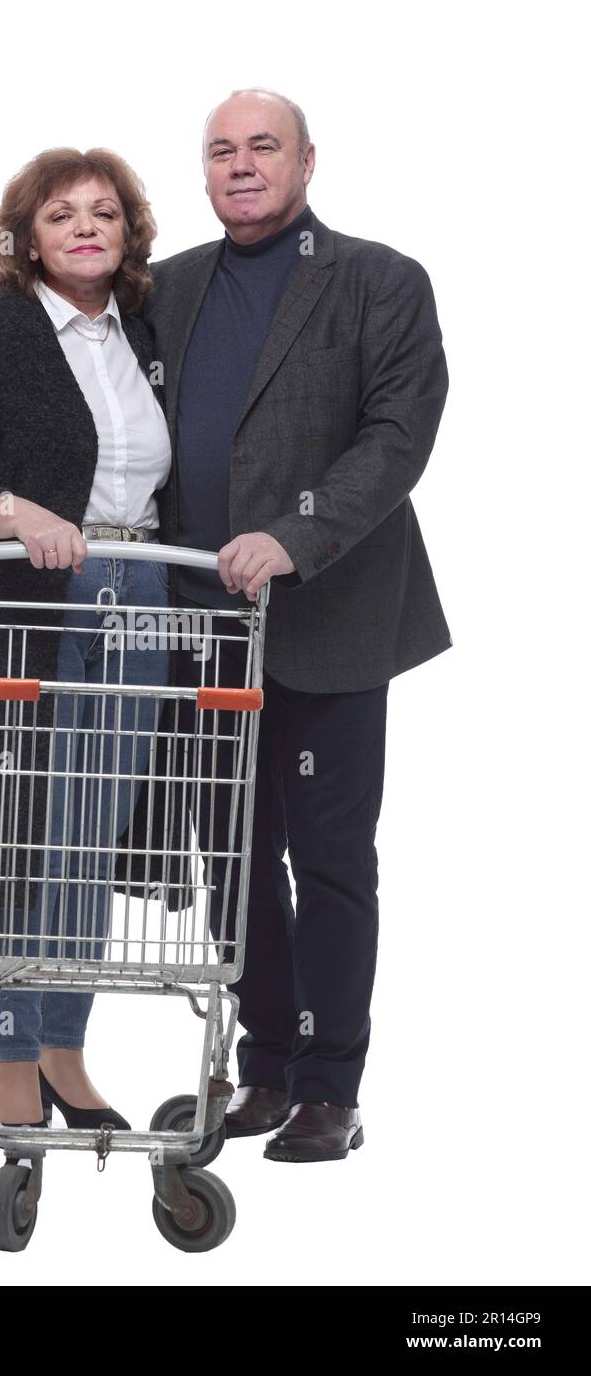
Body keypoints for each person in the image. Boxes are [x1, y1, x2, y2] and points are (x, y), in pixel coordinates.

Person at [142, 88, 451, 1162]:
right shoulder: (166, 288)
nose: (238, 165)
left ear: (306, 161)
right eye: (219, 150)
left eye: (259, 146)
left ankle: (328, 1083)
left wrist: (291, 533)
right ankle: (264, 1062)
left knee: (325, 860)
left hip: (327, 616)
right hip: (196, 628)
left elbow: (396, 434)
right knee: (229, 855)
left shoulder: (377, 280)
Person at [0, 148, 173, 1130]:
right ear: (27, 236)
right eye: (61, 215)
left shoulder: (144, 333)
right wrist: (11, 512)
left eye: (105, 213)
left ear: (129, 234)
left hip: (143, 597)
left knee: (88, 841)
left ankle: (64, 1049)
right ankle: (9, 1053)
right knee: (12, 834)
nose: (86, 228)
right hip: (29, 601)